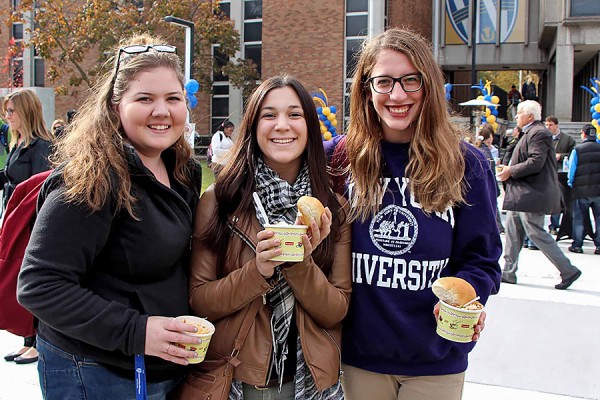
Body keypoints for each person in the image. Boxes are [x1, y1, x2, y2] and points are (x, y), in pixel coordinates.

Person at [17, 33, 203, 399]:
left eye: (172, 98)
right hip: (93, 372)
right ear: (116, 106)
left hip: (159, 369)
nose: (161, 111)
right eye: (145, 99)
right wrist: (137, 330)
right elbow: (40, 285)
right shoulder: (91, 179)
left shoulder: (182, 171)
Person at [332, 28, 502, 400]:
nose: (397, 94)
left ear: (429, 85)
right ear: (365, 89)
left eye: (411, 80)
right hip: (358, 357)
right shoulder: (339, 158)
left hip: (435, 359)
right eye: (384, 82)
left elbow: (483, 259)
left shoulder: (466, 164)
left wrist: (469, 295)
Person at [188, 75, 351, 399]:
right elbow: (199, 299)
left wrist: (299, 263)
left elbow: (337, 309)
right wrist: (258, 271)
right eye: (269, 115)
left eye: (294, 114)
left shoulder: (333, 209)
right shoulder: (220, 201)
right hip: (238, 380)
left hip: (310, 383)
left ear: (309, 126)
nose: (282, 125)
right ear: (253, 126)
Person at [497, 100, 581, 290]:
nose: (516, 116)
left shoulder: (539, 133)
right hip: (522, 194)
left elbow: (536, 161)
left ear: (530, 116)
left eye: (519, 113)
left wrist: (511, 170)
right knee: (512, 233)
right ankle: (508, 272)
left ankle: (567, 270)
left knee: (536, 233)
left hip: (531, 194)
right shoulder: (533, 132)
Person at [0, 89, 53, 365]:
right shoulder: (20, 143)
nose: (7, 117)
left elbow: (40, 189)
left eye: (11, 111)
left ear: (26, 112)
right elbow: (11, 177)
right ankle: (27, 340)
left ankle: (37, 340)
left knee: (33, 279)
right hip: (16, 222)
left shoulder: (42, 146)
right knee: (18, 279)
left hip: (32, 225)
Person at [566, 124, 600, 255]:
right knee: (599, 218)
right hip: (598, 190)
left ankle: (577, 245)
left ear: (584, 134)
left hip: (581, 190)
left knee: (579, 218)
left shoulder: (578, 150)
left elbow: (571, 170)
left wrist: (571, 183)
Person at [545, 115, 576, 235]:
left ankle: (557, 225)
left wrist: (561, 156)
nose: (548, 127)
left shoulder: (567, 139)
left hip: (562, 173)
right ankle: (553, 225)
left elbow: (573, 153)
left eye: (550, 125)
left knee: (561, 200)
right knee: (554, 201)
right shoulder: (543, 138)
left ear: (556, 125)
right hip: (548, 173)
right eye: (546, 125)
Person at [475, 124, 504, 233]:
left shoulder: (478, 149)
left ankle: (499, 227)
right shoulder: (485, 152)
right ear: (490, 137)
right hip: (487, 185)